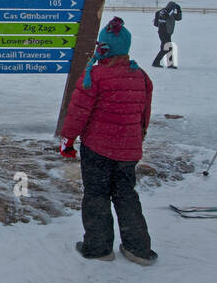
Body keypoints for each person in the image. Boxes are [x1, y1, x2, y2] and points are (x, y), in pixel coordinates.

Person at [59, 18, 156, 265]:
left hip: (97, 149)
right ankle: (138, 249)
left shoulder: (95, 75)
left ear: (102, 47)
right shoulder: (140, 75)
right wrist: (139, 135)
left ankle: (99, 247)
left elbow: (78, 112)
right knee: (126, 195)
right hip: (129, 149)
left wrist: (68, 140)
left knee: (97, 195)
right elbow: (144, 114)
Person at [151, 1, 182, 67]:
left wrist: (179, 10)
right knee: (167, 48)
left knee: (166, 48)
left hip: (165, 33)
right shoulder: (166, 11)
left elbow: (178, 18)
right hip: (164, 32)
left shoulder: (170, 12)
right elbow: (163, 17)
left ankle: (163, 63)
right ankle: (157, 63)